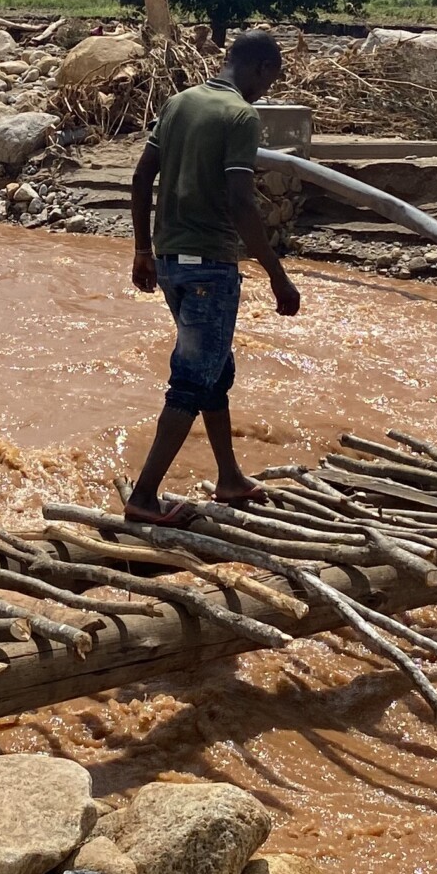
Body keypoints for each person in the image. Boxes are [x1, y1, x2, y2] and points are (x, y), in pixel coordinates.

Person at [122, 31, 303, 524]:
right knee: (190, 380)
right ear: (261, 68)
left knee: (214, 372)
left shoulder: (179, 102)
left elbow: (140, 177)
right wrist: (277, 274)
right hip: (210, 267)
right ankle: (143, 497)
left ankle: (229, 477)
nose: (267, 90)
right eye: (271, 79)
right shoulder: (241, 115)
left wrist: (142, 250)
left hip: (171, 262)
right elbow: (241, 201)